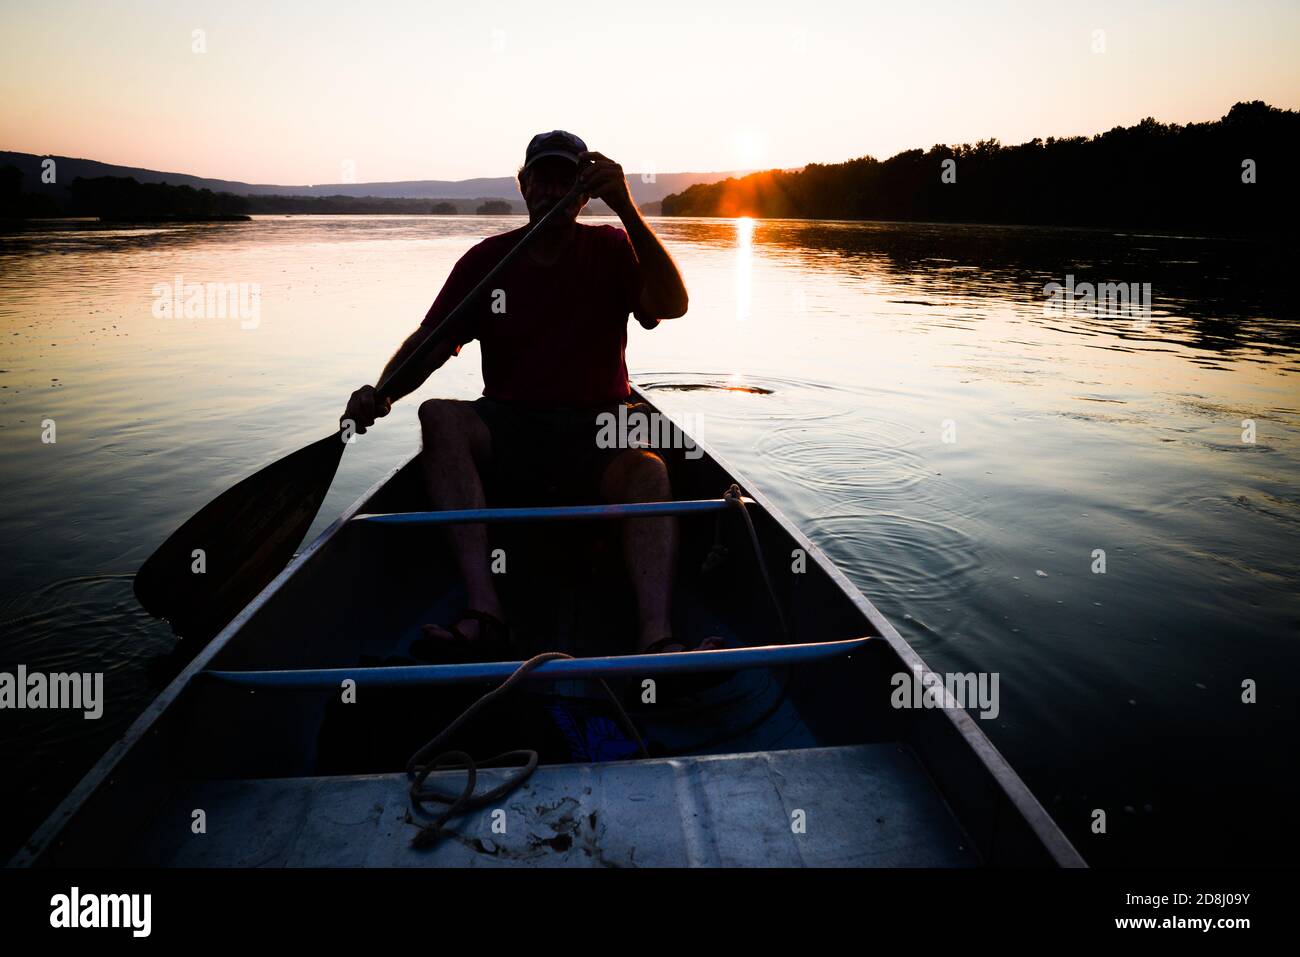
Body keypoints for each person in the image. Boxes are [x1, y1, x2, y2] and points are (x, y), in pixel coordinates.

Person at [341, 130, 721, 661]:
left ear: (583, 192)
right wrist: (380, 395)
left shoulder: (613, 249)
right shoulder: (486, 262)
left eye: (565, 179)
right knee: (439, 417)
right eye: (541, 178)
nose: (551, 189)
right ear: (524, 185)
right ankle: (484, 611)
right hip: (512, 430)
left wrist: (628, 209)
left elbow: (673, 304)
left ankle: (656, 637)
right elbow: (431, 343)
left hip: (599, 428)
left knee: (651, 469)